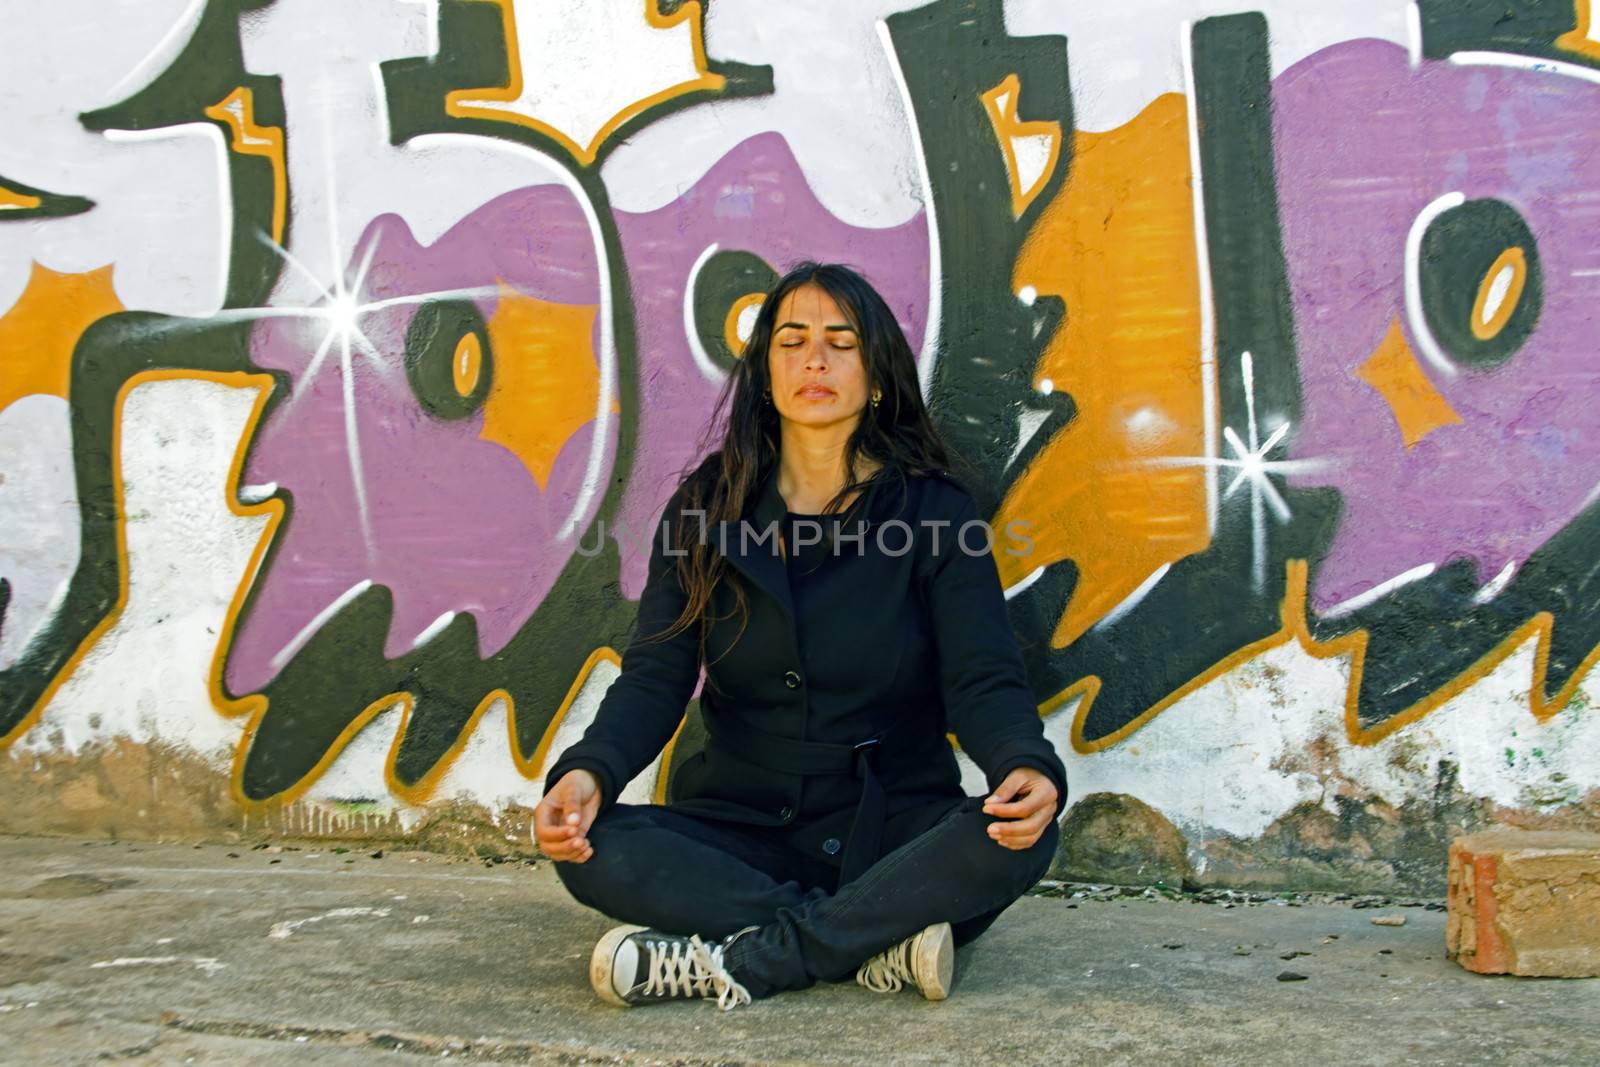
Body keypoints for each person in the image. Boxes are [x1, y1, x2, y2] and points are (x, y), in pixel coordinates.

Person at [533, 261, 1067, 1011]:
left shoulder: (936, 512)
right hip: (741, 822)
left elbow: (982, 677)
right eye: (792, 340)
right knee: (597, 850)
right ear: (766, 370)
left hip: (893, 827)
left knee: (1021, 835)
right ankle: (876, 938)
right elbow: (656, 673)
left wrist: (1025, 764)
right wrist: (589, 772)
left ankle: (753, 955)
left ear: (877, 374)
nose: (814, 359)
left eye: (840, 343)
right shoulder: (703, 510)